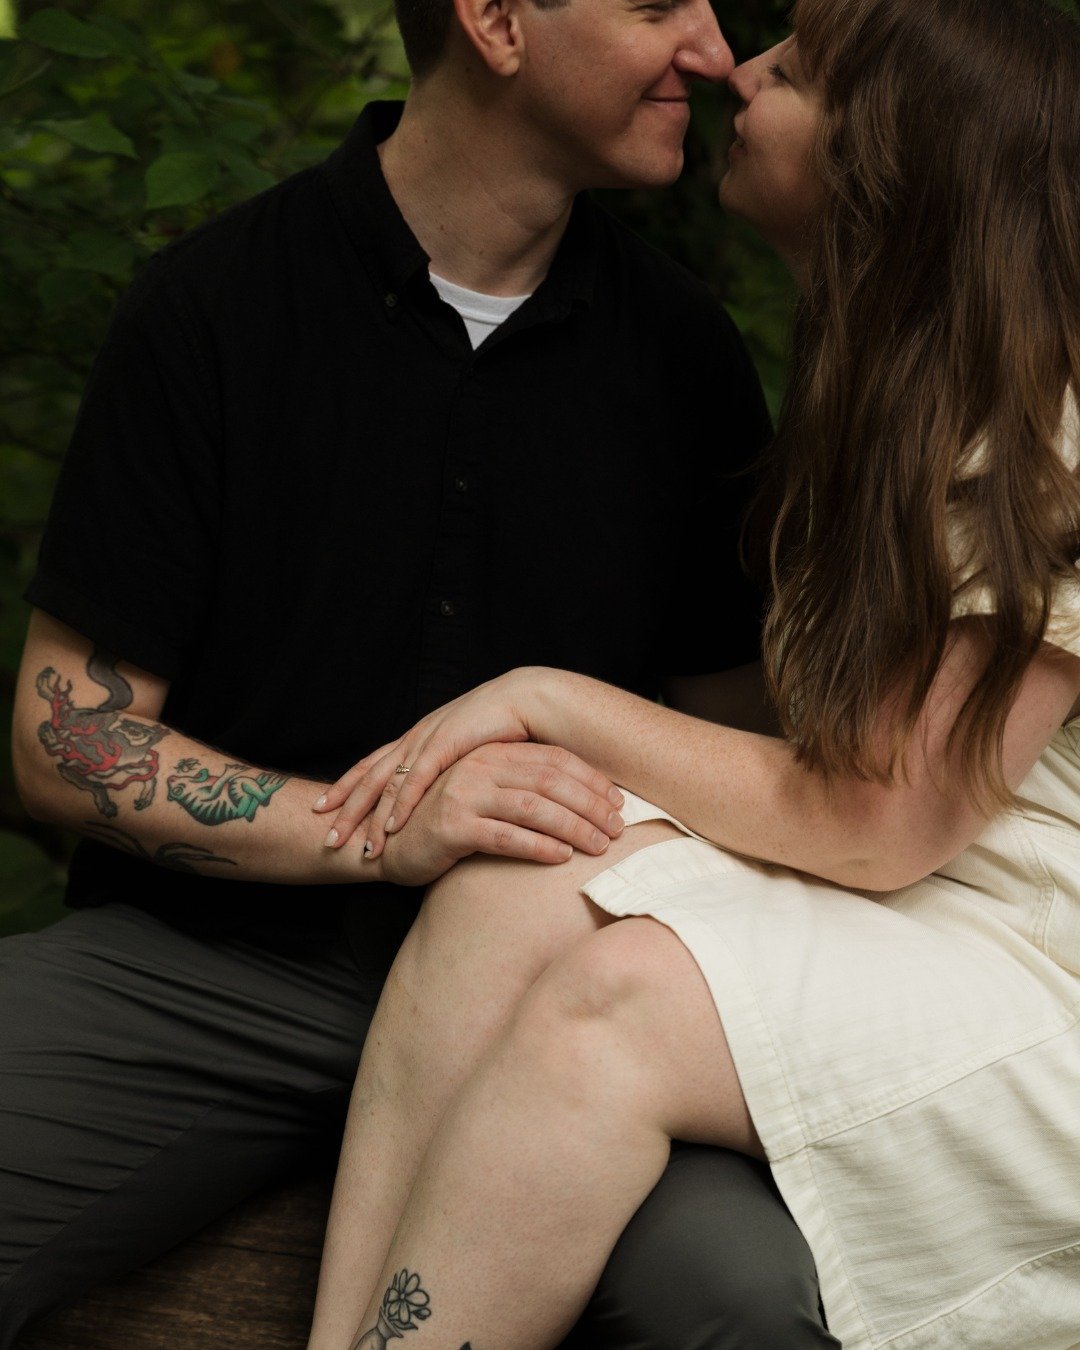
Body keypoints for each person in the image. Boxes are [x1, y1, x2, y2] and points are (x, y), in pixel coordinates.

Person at [1, 0, 839, 1347]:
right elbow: (66, 745)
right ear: (499, 21)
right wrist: (379, 836)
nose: (708, 48)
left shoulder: (684, 356)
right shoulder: (213, 307)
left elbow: (741, 747)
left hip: (559, 1000)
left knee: (744, 1304)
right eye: (649, 6)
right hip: (211, 974)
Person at [307, 0, 1080, 1345]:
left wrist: (553, 696)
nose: (738, 63)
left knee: (624, 1005)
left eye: (799, 68)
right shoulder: (883, 379)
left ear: (886, 152)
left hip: (1036, 972)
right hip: (923, 913)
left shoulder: (1048, 415)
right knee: (509, 888)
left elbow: (875, 814)